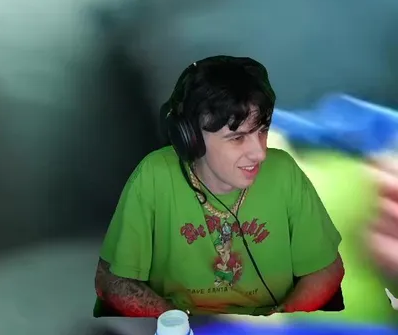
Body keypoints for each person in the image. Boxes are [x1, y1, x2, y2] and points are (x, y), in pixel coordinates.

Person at [94, 55, 345, 316]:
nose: (260, 153)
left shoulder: (283, 171)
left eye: (262, 130)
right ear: (190, 138)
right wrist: (176, 322)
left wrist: (283, 316)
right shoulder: (154, 176)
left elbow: (327, 268)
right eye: (237, 138)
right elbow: (111, 279)